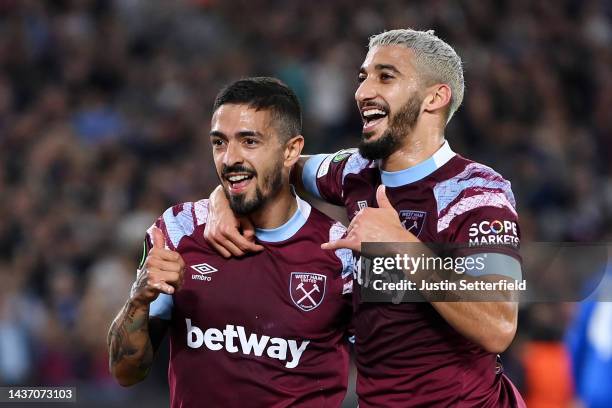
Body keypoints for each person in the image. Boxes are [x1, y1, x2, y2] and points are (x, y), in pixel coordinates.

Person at [205, 29, 526, 407]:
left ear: (435, 98)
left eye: (385, 77)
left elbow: (498, 325)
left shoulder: (475, 193)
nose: (362, 92)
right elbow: (275, 165)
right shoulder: (355, 171)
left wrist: (401, 245)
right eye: (363, 77)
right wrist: (223, 199)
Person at [107, 77, 353, 407]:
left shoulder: (342, 252)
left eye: (249, 142)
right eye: (219, 143)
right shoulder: (178, 230)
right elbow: (125, 373)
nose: (229, 159)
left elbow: (406, 365)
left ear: (291, 150)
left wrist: (395, 245)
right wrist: (138, 300)